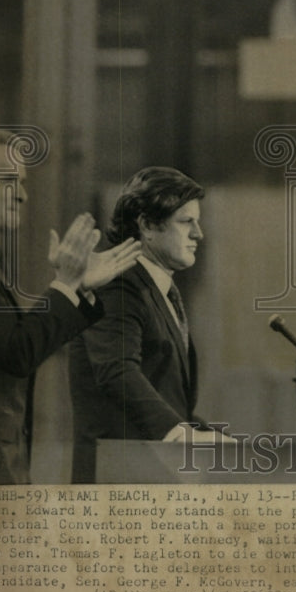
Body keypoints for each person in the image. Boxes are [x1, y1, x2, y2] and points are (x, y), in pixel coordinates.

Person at [0, 128, 140, 485]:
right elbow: (17, 350)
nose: (22, 195)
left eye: (22, 182)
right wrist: (65, 284)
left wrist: (74, 286)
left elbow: (11, 342)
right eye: (7, 180)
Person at [68, 166, 228, 483]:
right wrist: (181, 435)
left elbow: (165, 396)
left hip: (145, 475)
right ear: (148, 226)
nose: (199, 233)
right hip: (116, 481)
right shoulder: (116, 285)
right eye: (186, 222)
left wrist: (218, 442)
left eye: (197, 222)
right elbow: (117, 372)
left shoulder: (154, 288)